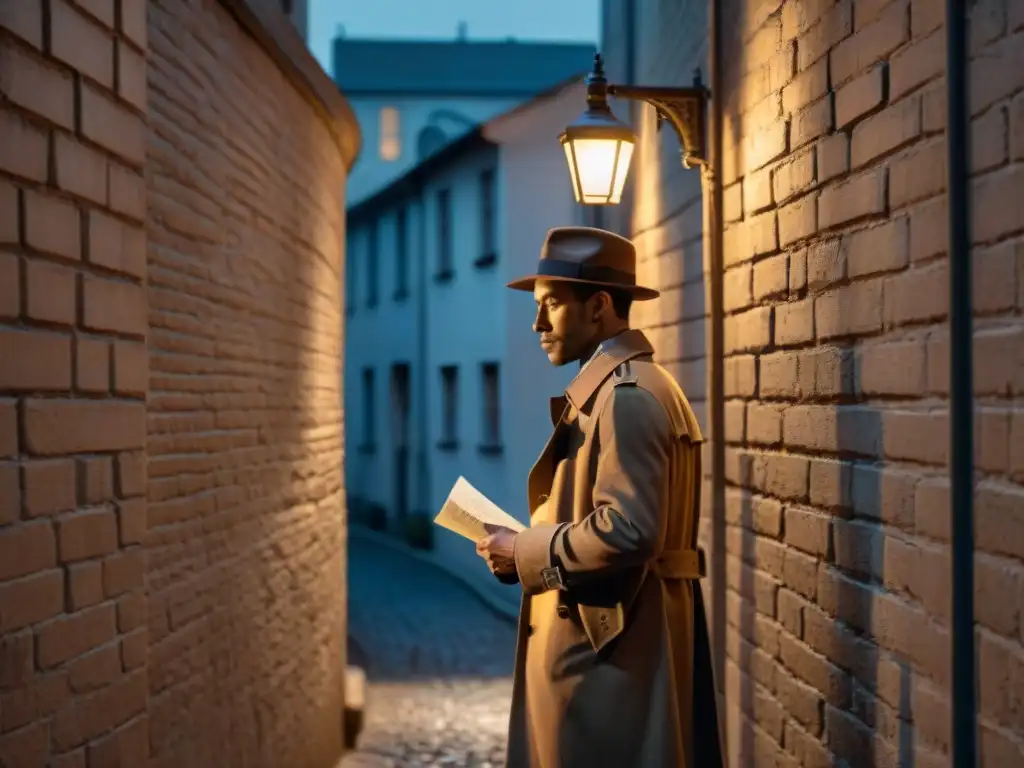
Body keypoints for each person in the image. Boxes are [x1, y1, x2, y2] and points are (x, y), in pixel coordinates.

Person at [475, 226, 724, 768]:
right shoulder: (627, 388)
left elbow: (629, 529)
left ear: (600, 306)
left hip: (610, 657)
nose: (537, 324)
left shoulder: (626, 397)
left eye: (552, 305)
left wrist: (524, 551)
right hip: (615, 646)